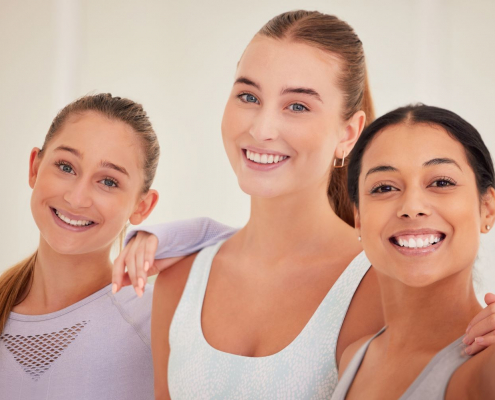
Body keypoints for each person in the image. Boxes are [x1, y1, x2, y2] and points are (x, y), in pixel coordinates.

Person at [114, 11, 495, 399]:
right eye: (248, 96)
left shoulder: (390, 283)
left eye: (297, 106)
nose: (262, 129)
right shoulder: (179, 281)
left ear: (348, 134)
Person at [0, 94, 232, 400]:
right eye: (66, 167)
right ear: (35, 167)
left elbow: (274, 249)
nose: (77, 198)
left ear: (142, 207)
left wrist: (164, 237)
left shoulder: (156, 317)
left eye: (108, 182)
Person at [331, 104, 495, 399]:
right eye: (383, 188)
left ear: (487, 208)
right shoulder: (354, 358)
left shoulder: (487, 366)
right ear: (358, 217)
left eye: (441, 182)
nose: (412, 207)